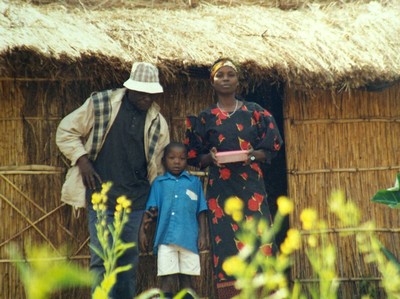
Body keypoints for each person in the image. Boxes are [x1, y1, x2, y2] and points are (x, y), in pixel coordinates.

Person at [56, 62, 170, 299]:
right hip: (101, 197)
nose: (146, 98)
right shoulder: (101, 105)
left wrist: (151, 208)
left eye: (151, 94)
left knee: (128, 262)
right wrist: (82, 160)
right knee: (101, 259)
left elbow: (158, 168)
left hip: (136, 201)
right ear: (129, 89)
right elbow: (66, 131)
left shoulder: (158, 122)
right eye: (142, 92)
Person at [184, 58, 283, 299]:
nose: (226, 79)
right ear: (212, 82)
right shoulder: (206, 118)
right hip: (221, 191)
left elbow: (274, 146)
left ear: (238, 81)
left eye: (230, 74)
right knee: (227, 244)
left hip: (252, 189)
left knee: (260, 238)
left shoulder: (254, 112)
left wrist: (252, 156)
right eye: (220, 75)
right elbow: (193, 156)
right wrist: (212, 158)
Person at [139, 142, 208, 299]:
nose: (177, 162)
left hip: (189, 239)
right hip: (166, 240)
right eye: (172, 158)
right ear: (164, 160)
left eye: (182, 158)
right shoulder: (159, 184)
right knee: (167, 279)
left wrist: (203, 235)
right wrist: (142, 231)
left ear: (186, 160)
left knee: (188, 281)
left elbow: (201, 210)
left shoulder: (194, 183)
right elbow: (150, 210)